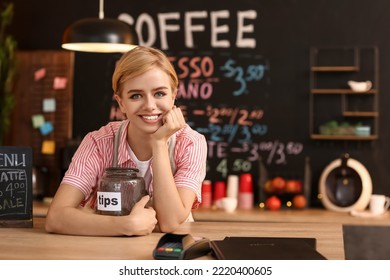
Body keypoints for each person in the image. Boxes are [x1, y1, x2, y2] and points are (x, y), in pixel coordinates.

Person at [45, 46, 207, 236]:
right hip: (106, 249)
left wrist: (159, 143)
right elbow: (55, 218)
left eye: (159, 93)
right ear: (121, 102)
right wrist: (126, 226)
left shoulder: (191, 143)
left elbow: (170, 223)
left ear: (173, 95)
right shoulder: (98, 142)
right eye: (136, 95)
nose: (149, 106)